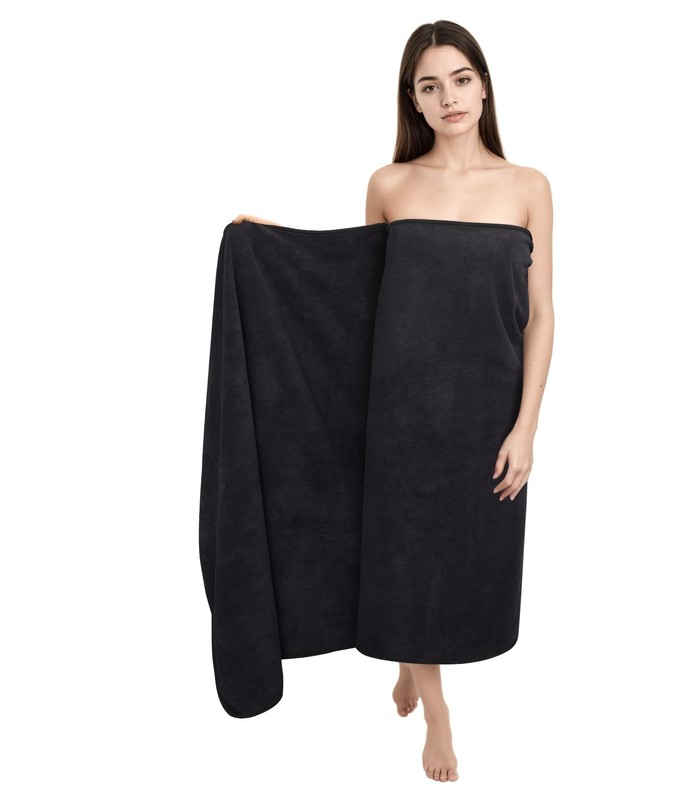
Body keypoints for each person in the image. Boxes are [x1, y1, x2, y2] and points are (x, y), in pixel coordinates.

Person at [233, 19, 554, 784]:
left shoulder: (528, 187)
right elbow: (353, 290)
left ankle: (412, 667)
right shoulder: (390, 184)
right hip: (401, 411)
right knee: (407, 561)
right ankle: (437, 712)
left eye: (461, 79)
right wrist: (271, 244)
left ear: (484, 85)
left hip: (485, 414)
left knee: (460, 563)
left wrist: (526, 427)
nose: (450, 98)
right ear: (413, 99)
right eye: (430, 86)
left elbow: (541, 315)